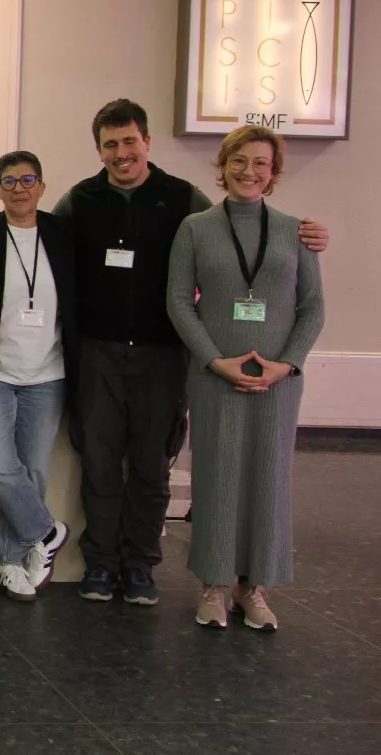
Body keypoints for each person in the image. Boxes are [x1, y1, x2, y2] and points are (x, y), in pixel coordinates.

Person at [54, 99, 328, 606]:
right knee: (98, 462)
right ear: (99, 149)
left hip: (163, 355)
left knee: (151, 463)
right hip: (97, 352)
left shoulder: (183, 199)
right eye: (110, 145)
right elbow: (40, 241)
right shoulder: (79, 200)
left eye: (130, 141)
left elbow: (237, 227)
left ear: (147, 141)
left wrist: (308, 235)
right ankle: (101, 563)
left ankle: (140, 564)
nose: (121, 153)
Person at [167, 126, 323, 631]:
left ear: (273, 173)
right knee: (217, 476)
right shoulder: (196, 228)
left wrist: (287, 364)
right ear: (223, 163)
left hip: (278, 382)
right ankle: (214, 584)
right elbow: (178, 303)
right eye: (239, 159)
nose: (248, 171)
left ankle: (252, 586)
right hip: (216, 378)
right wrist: (214, 360)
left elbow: (313, 308)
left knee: (268, 478)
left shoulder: (296, 231)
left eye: (260, 162)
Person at [0, 151, 76, 603]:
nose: (19, 188)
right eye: (9, 181)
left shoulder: (63, 235)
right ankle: (47, 531)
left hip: (48, 373)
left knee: (32, 470)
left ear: (42, 186)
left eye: (28, 180)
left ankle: (12, 563)